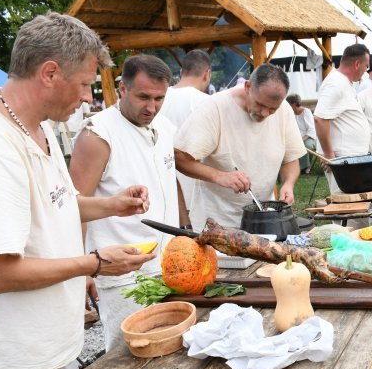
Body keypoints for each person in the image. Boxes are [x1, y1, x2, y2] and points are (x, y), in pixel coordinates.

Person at [0, 13, 154, 369]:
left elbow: (58, 203)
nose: (86, 97)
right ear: (49, 73)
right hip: (21, 366)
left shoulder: (35, 129)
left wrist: (112, 204)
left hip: (52, 350)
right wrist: (94, 264)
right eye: (84, 84)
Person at [69, 54, 178, 353]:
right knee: (128, 354)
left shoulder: (165, 127)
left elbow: (170, 183)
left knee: (171, 347)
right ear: (122, 89)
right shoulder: (97, 134)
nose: (151, 107)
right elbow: (72, 208)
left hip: (166, 263)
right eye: (143, 97)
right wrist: (82, 270)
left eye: (159, 98)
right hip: (121, 274)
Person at [174, 63, 304, 228]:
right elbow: (179, 157)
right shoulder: (215, 108)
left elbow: (291, 160)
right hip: (217, 223)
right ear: (248, 86)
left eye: (272, 110)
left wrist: (288, 183)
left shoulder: (284, 110)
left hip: (264, 221)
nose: (265, 113)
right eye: (260, 105)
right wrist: (220, 176)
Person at [158, 49, 212, 218]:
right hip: (194, 193)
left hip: (162, 187)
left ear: (181, 72)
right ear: (207, 74)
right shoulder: (206, 102)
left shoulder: (158, 97)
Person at [314, 43, 371, 195]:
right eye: (366, 66)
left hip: (349, 158)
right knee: (347, 206)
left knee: (356, 205)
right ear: (357, 64)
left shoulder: (344, 82)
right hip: (342, 160)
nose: (366, 71)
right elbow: (320, 118)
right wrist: (328, 154)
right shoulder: (336, 83)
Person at [286, 93, 316, 173]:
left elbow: (311, 130)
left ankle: (306, 167)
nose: (288, 107)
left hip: (309, 138)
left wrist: (301, 139)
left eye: (289, 105)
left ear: (294, 104)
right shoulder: (291, 114)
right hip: (297, 138)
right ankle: (295, 167)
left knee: (306, 145)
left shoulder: (306, 112)